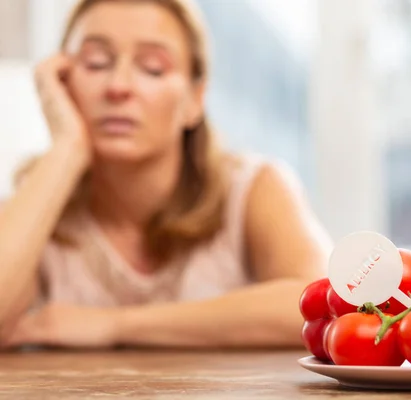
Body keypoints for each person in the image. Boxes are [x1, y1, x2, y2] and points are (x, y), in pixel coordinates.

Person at [0, 0, 331, 349]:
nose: (118, 86)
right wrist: (66, 148)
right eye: (96, 63)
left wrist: (113, 325)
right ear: (64, 83)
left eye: (153, 69)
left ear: (195, 100)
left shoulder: (253, 188)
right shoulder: (39, 200)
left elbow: (322, 305)